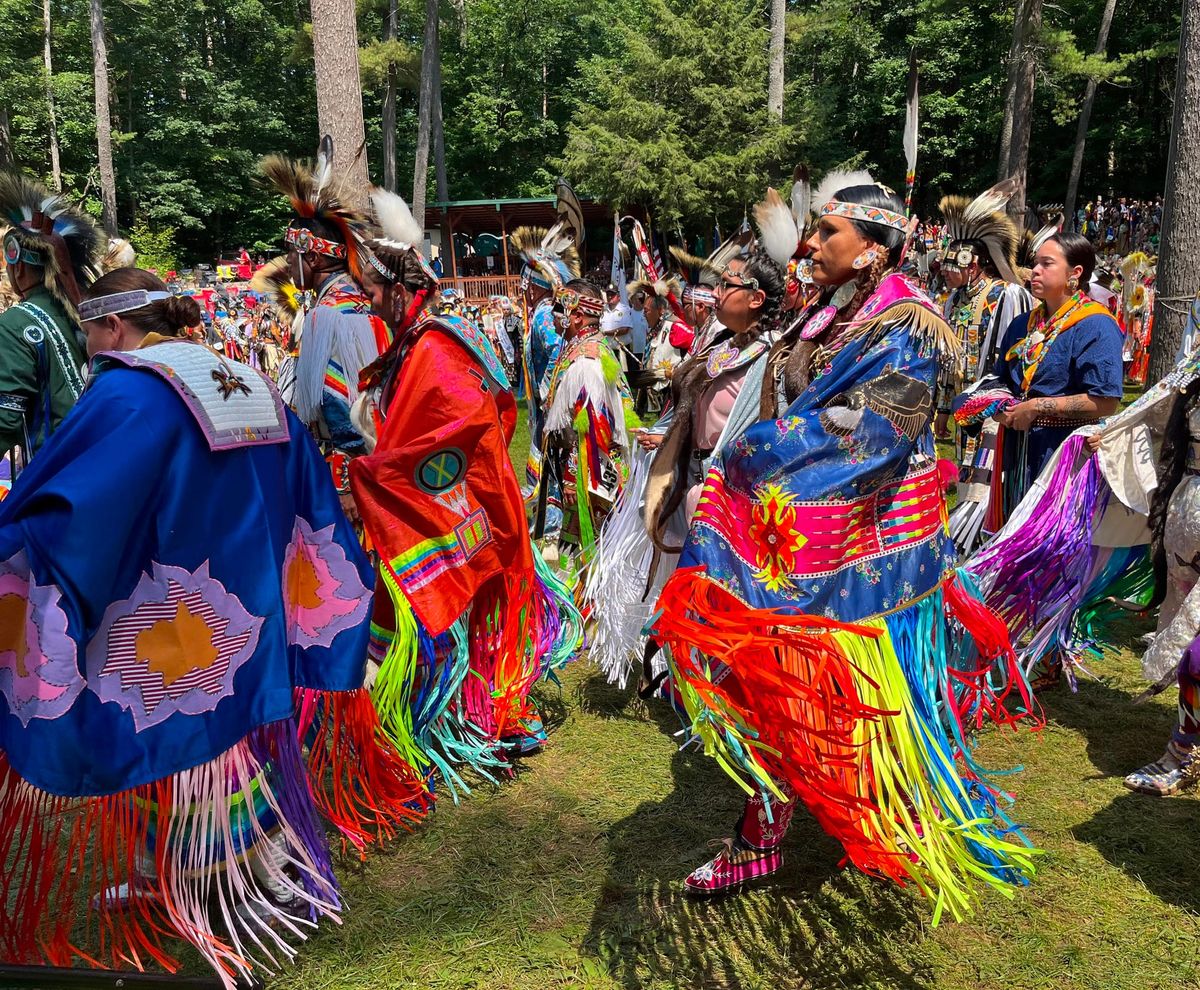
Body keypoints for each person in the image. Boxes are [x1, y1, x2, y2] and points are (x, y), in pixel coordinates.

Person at [0, 267, 423, 987]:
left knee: (165, 734)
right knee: (223, 740)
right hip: (246, 600)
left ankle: (230, 872)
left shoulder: (129, 391)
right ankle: (211, 867)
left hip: (166, 609)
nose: (91, 349)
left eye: (89, 333)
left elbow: (73, 501)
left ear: (111, 327)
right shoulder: (242, 379)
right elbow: (304, 483)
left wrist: (16, 534)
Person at [649, 172, 1037, 909]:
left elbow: (871, 435)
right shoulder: (830, 309)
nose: (814, 241)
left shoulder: (910, 324)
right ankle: (768, 836)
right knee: (777, 679)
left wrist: (747, 462)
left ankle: (884, 817)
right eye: (818, 228)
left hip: (873, 543)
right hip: (814, 528)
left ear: (872, 248)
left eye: (830, 231)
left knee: (869, 695)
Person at [351, 188, 581, 772]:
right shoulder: (414, 342)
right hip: (437, 500)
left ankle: (477, 715)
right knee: (448, 616)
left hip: (451, 502)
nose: (366, 301)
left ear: (400, 288)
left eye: (372, 290)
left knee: (465, 613)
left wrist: (378, 476)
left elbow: (467, 426)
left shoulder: (434, 346)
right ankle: (457, 713)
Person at [583, 245, 783, 688]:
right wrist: (669, 434)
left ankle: (724, 679)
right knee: (677, 577)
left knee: (721, 587)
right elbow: (690, 411)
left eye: (727, 283)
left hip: (732, 493)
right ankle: (676, 672)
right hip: (690, 481)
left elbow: (776, 433)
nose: (716, 292)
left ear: (755, 299)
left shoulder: (774, 360)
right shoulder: (719, 347)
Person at [261, 148, 393, 519]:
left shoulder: (328, 316)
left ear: (314, 258)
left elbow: (340, 400)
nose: (287, 264)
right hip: (383, 457)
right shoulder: (367, 304)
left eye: (292, 254)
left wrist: (348, 485)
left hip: (349, 470)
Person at [982, 232, 1124, 525]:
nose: (1035, 270)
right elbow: (1000, 381)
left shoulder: (1096, 325)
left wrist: (1035, 408)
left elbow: (1105, 402)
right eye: (1035, 263)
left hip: (1064, 458)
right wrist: (996, 407)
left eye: (1047, 264)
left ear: (1075, 273)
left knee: (1052, 547)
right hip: (1018, 453)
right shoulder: (1023, 324)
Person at [935, 180, 1034, 554]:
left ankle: (987, 544)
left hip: (994, 407)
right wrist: (944, 408)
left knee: (990, 480)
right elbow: (947, 360)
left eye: (952, 261)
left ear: (973, 262)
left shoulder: (1005, 295)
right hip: (963, 409)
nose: (945, 268)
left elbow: (1017, 354)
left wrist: (1001, 399)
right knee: (967, 475)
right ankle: (968, 544)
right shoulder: (952, 302)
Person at [0, 171, 101, 457]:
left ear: (17, 265)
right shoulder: (91, 317)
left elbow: (6, 418)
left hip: (55, 472)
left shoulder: (14, 324)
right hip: (105, 461)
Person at [541, 279, 637, 566]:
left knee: (593, 551)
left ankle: (591, 605)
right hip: (591, 466)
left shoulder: (586, 360)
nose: (555, 316)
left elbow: (593, 427)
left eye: (560, 309)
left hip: (591, 472)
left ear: (577, 315)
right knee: (590, 550)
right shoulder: (592, 348)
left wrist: (573, 479)